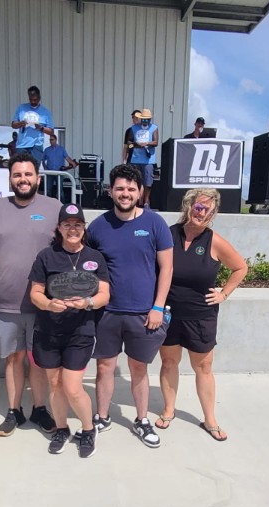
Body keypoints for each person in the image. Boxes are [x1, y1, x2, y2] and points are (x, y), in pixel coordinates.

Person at [84, 164, 173, 448]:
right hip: (107, 312)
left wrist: (158, 307)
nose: (125, 194)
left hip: (144, 313)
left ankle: (142, 420)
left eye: (131, 189)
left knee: (138, 369)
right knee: (104, 367)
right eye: (120, 188)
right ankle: (102, 416)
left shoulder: (155, 223)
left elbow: (167, 267)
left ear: (140, 192)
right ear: (111, 191)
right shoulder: (98, 227)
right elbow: (87, 267)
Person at [155, 188, 248, 441]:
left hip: (201, 316)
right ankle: (169, 409)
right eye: (199, 207)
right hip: (169, 313)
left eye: (209, 210)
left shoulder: (213, 240)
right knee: (169, 362)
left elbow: (240, 267)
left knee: (203, 367)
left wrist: (224, 293)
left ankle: (210, 419)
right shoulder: (168, 234)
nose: (202, 213)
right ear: (188, 206)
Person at [0, 153, 61, 437]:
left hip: (43, 304)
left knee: (37, 359)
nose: (23, 179)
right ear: (10, 179)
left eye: (28, 174)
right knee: (14, 358)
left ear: (38, 178)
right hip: (6, 302)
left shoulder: (54, 208)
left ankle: (39, 409)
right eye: (17, 175)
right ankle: (14, 410)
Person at [29, 204, 110, 458]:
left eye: (77, 225)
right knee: (55, 384)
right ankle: (62, 428)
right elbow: (35, 292)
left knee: (73, 387)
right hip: (49, 331)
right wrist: (48, 304)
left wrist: (88, 303)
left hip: (80, 331)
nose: (72, 229)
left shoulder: (95, 257)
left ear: (84, 228)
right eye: (67, 224)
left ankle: (88, 430)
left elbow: (105, 294)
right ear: (59, 228)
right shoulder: (46, 256)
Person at [11, 85, 54, 164]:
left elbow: (51, 131)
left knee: (34, 168)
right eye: (31, 100)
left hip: (36, 146)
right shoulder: (21, 108)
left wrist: (41, 128)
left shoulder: (45, 112)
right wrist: (21, 123)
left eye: (35, 100)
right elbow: (13, 125)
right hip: (22, 145)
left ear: (39, 98)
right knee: (22, 168)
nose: (33, 102)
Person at [125, 108, 159, 207]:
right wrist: (136, 144)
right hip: (135, 159)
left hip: (148, 160)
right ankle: (135, 200)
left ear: (150, 119)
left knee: (148, 181)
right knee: (135, 180)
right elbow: (129, 143)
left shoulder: (154, 128)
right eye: (143, 119)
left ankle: (146, 201)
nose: (145, 121)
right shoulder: (134, 128)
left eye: (147, 119)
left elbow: (156, 142)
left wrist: (146, 143)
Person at [42, 134, 77, 200]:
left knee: (60, 190)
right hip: (50, 172)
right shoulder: (47, 150)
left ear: (56, 140)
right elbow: (43, 160)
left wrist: (73, 163)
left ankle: (61, 203)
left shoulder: (61, 149)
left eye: (52, 140)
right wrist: (45, 168)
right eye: (50, 140)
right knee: (48, 189)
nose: (51, 141)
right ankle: (47, 203)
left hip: (59, 172)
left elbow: (67, 157)